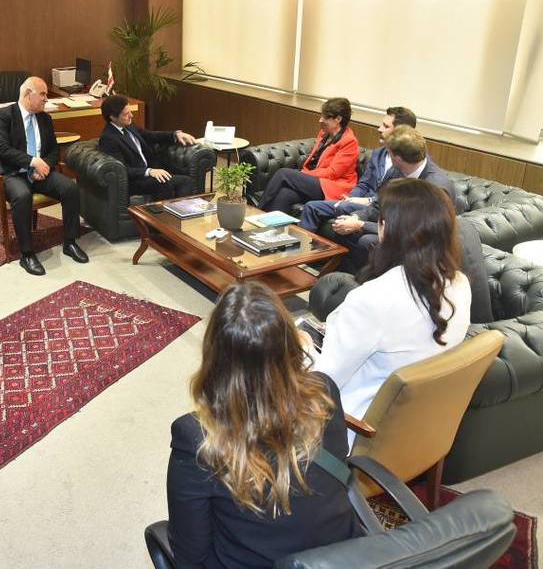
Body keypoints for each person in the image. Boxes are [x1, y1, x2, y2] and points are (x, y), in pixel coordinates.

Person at [167, 282, 360, 567]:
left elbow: (190, 555)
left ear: (214, 354)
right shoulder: (324, 391)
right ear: (290, 343)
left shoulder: (197, 436)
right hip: (342, 558)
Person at [308, 179, 472, 443]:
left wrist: (303, 349)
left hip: (356, 430)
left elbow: (323, 382)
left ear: (385, 229)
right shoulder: (460, 285)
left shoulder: (371, 300)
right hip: (424, 427)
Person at [0, 76, 88, 276]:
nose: (46, 99)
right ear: (28, 94)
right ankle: (27, 254)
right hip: (11, 173)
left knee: (70, 188)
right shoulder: (4, 115)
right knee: (22, 196)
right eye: (42, 94)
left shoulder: (45, 118)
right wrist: (32, 162)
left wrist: (44, 167)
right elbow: (2, 149)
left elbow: (53, 152)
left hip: (40, 173)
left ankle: (70, 242)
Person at [325, 125, 455, 272]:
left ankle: (363, 281)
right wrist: (356, 217)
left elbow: (416, 232)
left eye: (389, 153)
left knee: (366, 241)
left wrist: (360, 225)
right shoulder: (398, 170)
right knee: (344, 226)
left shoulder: (436, 188)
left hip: (421, 245)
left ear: (397, 158)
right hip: (396, 228)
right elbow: (380, 205)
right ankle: (342, 278)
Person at [300, 106, 417, 232]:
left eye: (386, 126)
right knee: (310, 206)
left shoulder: (408, 161)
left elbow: (396, 199)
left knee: (330, 207)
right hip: (357, 204)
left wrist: (368, 200)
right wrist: (350, 197)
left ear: (401, 132)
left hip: (379, 209)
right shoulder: (378, 153)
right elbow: (364, 184)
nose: (379, 129)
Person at [256, 97, 359, 213]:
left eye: (325, 117)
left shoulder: (349, 141)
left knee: (283, 173)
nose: (320, 120)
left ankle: (257, 211)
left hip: (332, 187)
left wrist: (305, 174)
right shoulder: (324, 133)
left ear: (338, 119)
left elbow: (332, 173)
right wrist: (305, 174)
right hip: (316, 181)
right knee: (285, 194)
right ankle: (268, 223)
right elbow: (315, 160)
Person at [97, 94, 196, 201]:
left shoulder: (128, 125)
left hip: (150, 170)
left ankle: (176, 209)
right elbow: (122, 169)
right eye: (126, 114)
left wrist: (175, 135)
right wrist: (149, 171)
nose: (131, 115)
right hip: (135, 180)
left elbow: (149, 135)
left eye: (130, 112)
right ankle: (166, 211)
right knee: (179, 182)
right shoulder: (109, 139)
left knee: (182, 179)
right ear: (112, 117)